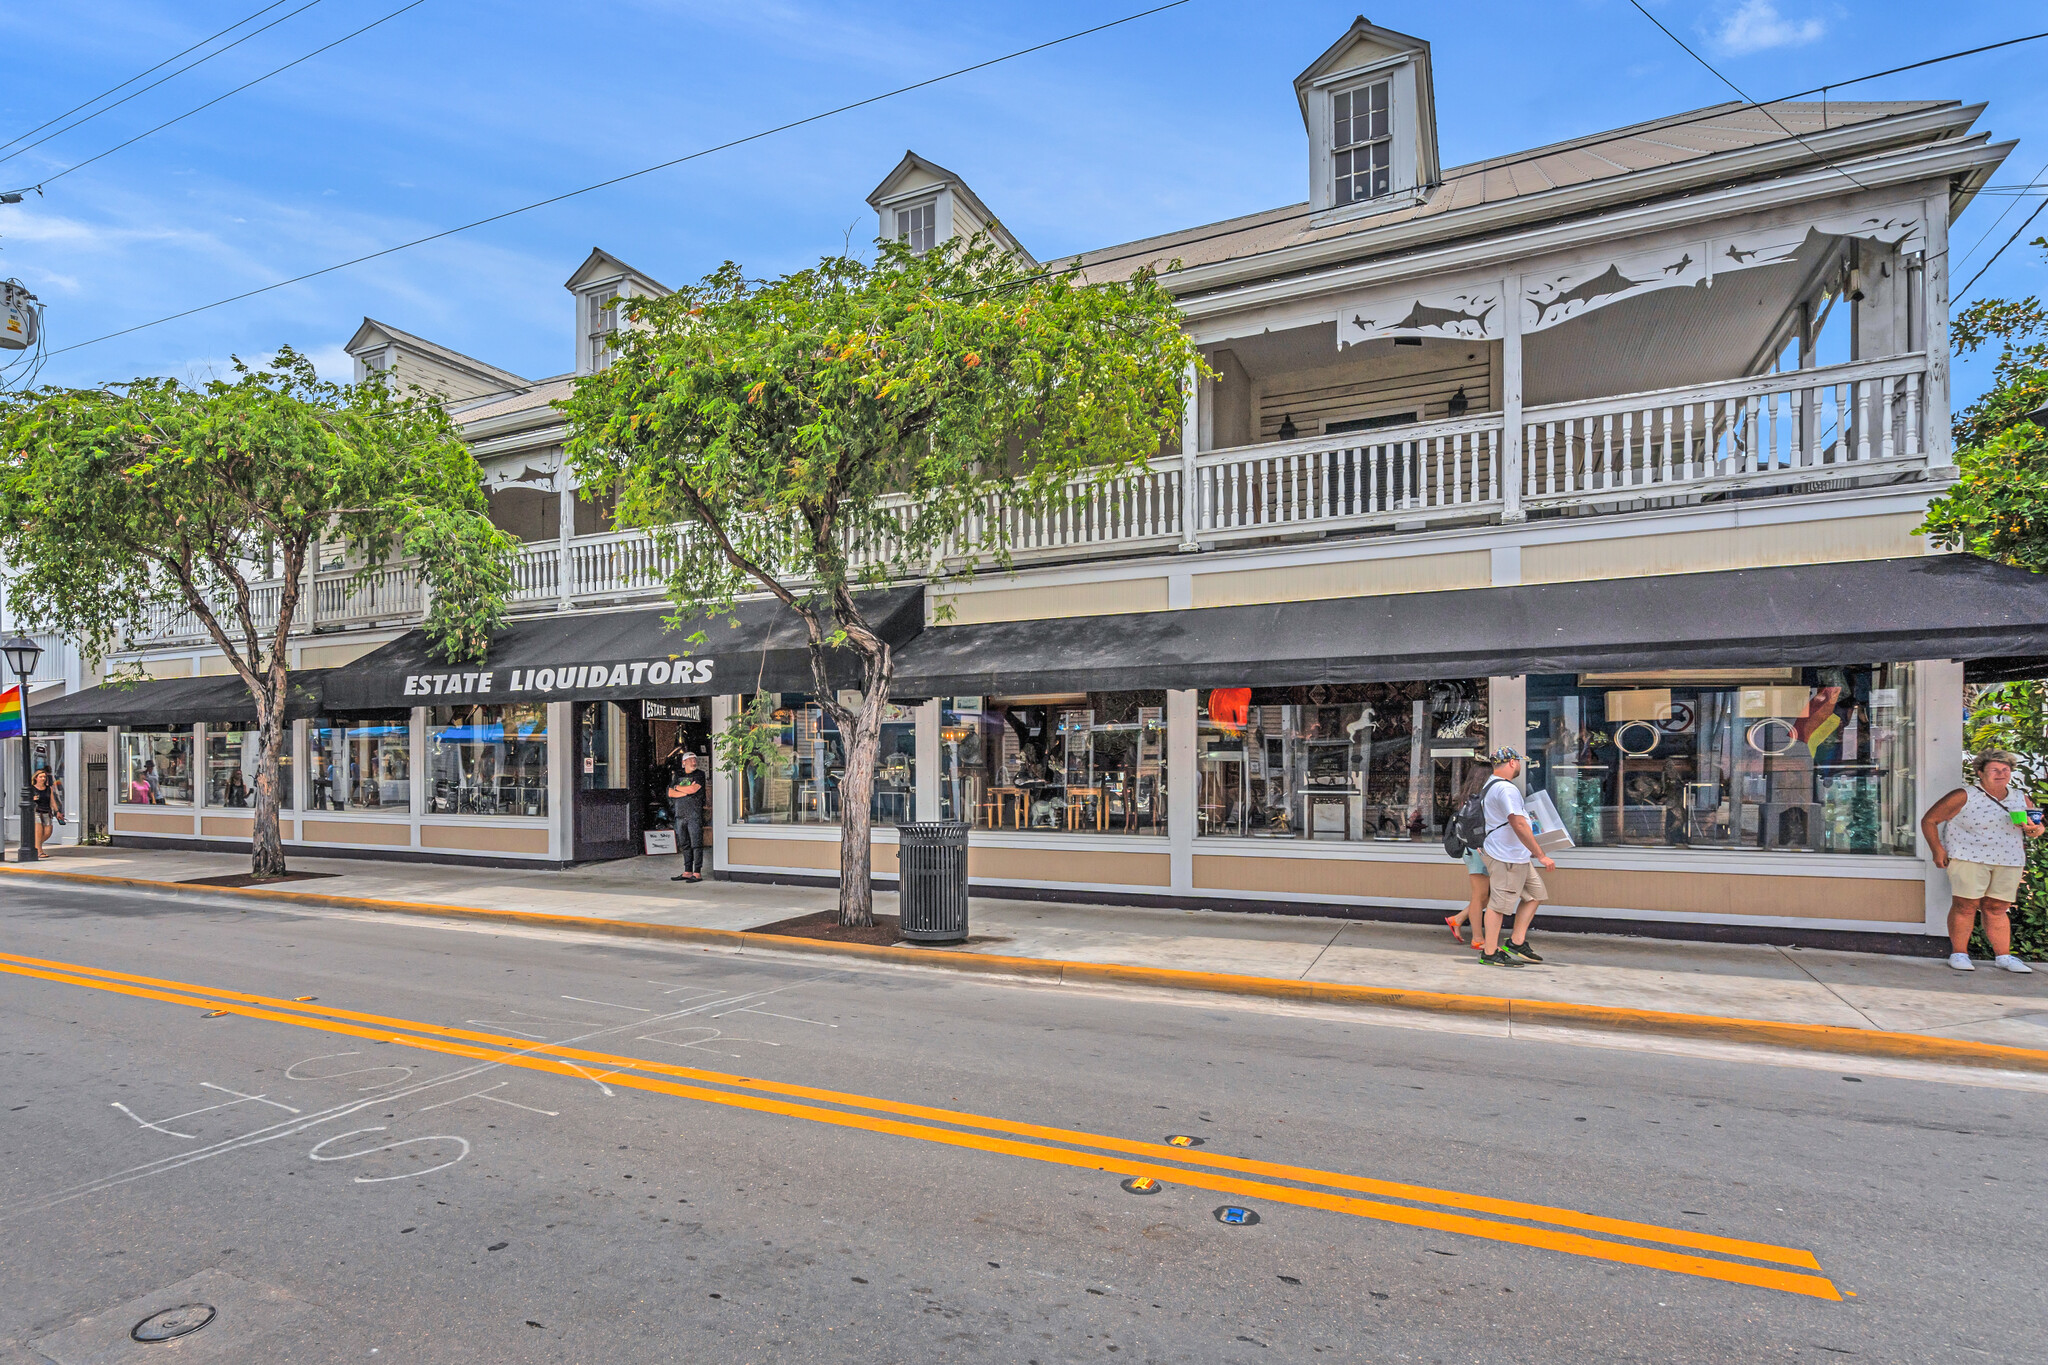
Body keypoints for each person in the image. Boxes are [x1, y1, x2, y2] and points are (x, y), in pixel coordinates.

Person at [1921, 749, 2040, 973]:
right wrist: (1937, 850)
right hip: (1969, 857)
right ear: (1980, 772)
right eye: (1994, 769)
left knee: (1998, 907)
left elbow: (2037, 826)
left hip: (2008, 859)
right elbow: (1930, 820)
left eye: (2005, 770)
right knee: (1965, 905)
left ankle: (2004, 956)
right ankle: (1959, 953)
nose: (2001, 774)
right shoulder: (1964, 795)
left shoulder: (2020, 797)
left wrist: (2034, 830)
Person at [1477, 747, 1554, 967]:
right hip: (1506, 857)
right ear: (1511, 762)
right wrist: (1540, 854)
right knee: (1499, 905)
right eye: (1519, 761)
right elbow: (1518, 822)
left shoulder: (1493, 785)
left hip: (1516, 856)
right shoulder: (1505, 789)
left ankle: (1516, 942)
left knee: (1535, 894)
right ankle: (1489, 953)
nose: (1520, 765)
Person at [1445, 767, 1496, 945]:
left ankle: (1458, 919)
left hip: (1471, 851)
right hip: (1479, 851)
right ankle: (1477, 938)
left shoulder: (1467, 800)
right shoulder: (1482, 800)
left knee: (1485, 895)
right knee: (1480, 895)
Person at [668, 750, 707, 883]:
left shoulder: (700, 774)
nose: (694, 762)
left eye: (695, 759)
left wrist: (679, 788)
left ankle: (697, 872)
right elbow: (670, 793)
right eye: (690, 760)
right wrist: (684, 791)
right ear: (684, 762)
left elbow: (693, 790)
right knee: (684, 844)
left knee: (696, 843)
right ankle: (687, 871)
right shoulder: (678, 774)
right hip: (680, 814)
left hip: (694, 814)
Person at [30, 768, 59, 855]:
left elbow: (52, 801)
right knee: (39, 832)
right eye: (41, 777)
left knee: (48, 832)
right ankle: (39, 851)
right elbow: (25, 800)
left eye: (44, 777)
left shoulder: (48, 788)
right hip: (36, 811)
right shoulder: (31, 788)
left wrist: (57, 811)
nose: (43, 778)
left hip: (46, 811)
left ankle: (35, 845)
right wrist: (32, 799)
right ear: (36, 778)